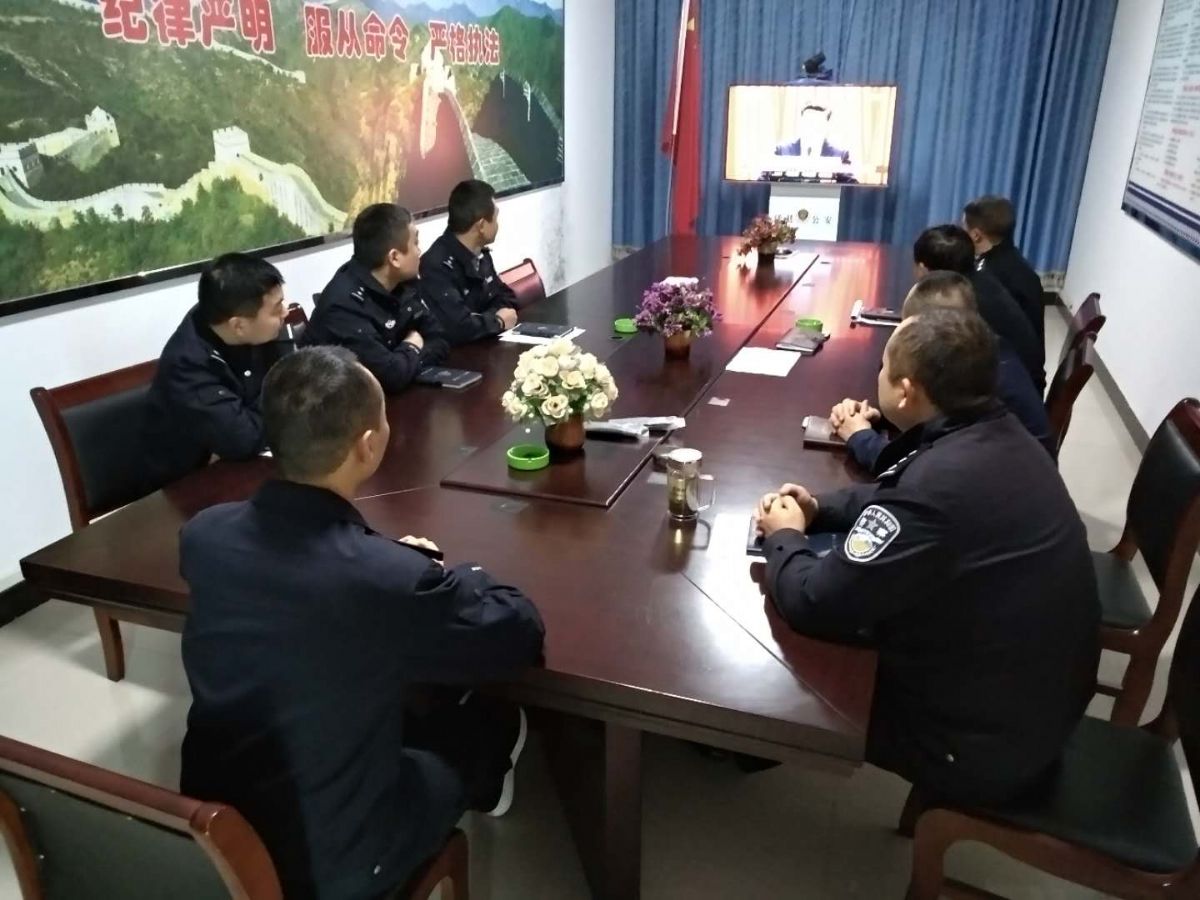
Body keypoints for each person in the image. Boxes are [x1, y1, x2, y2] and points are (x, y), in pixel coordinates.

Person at [180, 346, 544, 900]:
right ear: (369, 444)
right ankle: (487, 781)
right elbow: (518, 631)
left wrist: (392, 566)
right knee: (480, 722)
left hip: (216, 826)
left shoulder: (204, 535)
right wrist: (442, 573)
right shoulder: (384, 578)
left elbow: (299, 593)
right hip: (337, 863)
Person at [755, 308, 1099, 806]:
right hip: (1038, 701)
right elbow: (897, 493)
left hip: (982, 745)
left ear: (905, 392)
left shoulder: (939, 486)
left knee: (793, 656)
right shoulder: (992, 431)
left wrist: (784, 537)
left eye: (883, 367)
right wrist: (819, 508)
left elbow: (815, 600)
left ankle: (739, 738)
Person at [831, 271, 1053, 469]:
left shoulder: (972, 377)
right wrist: (882, 418)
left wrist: (860, 436)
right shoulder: (981, 351)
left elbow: (915, 464)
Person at [143, 252, 290, 487]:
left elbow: (302, 381)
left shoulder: (254, 326)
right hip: (189, 486)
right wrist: (286, 398)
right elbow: (244, 439)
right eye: (276, 308)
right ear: (238, 325)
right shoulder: (186, 365)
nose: (285, 312)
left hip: (252, 465)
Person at [303, 203, 449, 393]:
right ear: (394, 257)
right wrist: (412, 345)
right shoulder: (343, 306)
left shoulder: (402, 283)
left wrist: (406, 360)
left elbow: (439, 338)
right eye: (415, 243)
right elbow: (390, 376)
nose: (419, 251)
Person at [913, 224, 1045, 391]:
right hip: (1024, 384)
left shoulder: (960, 303)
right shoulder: (980, 281)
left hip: (1004, 396)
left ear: (923, 269)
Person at [420, 179, 520, 345]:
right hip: (460, 355)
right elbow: (458, 327)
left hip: (487, 344)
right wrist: (497, 321)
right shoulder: (435, 266)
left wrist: (485, 320)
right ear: (481, 226)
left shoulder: (480, 252)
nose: (497, 225)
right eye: (495, 218)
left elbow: (506, 297)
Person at [963, 195, 1045, 346]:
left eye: (964, 229)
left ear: (975, 235)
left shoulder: (991, 278)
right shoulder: (1014, 262)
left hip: (1010, 356)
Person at [774, 104, 852, 162]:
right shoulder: (782, 151)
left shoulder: (840, 155)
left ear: (826, 127)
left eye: (818, 124)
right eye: (808, 122)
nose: (811, 128)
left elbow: (849, 180)